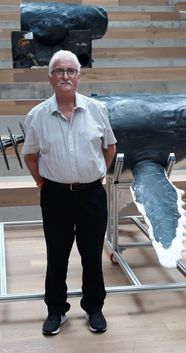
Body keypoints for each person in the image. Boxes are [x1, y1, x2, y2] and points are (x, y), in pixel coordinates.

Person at [22, 50, 117, 335]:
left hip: (92, 195)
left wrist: (96, 173)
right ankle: (56, 309)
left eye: (71, 71)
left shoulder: (97, 110)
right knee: (57, 255)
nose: (65, 76)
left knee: (91, 255)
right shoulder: (37, 115)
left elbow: (109, 147)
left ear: (78, 76)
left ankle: (94, 307)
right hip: (55, 197)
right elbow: (31, 156)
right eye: (59, 71)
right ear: (50, 77)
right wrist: (43, 183)